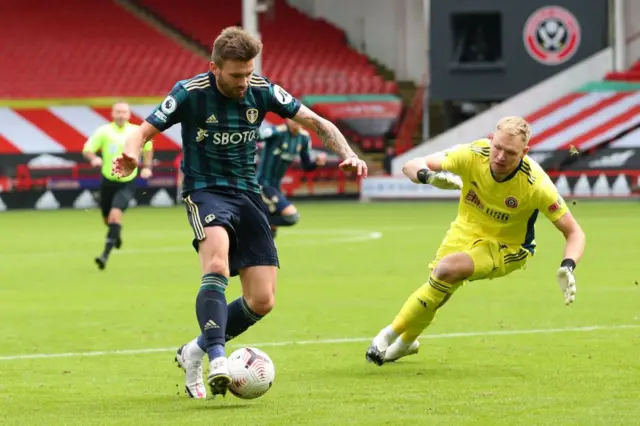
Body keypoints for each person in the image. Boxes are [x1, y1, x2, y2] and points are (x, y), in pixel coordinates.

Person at [112, 26, 367, 399]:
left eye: (248, 72)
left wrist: (348, 153)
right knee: (215, 265)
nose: (244, 81)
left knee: (262, 301)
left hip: (248, 194)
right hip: (205, 191)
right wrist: (132, 154)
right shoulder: (190, 93)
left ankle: (194, 350)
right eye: (236, 75)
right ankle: (217, 359)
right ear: (214, 67)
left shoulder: (263, 89)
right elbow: (141, 131)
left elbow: (319, 123)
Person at [365, 116, 585, 366]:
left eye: (510, 153)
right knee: (439, 288)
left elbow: (574, 232)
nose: (500, 157)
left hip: (507, 246)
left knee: (446, 271)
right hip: (465, 228)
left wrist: (568, 265)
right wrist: (428, 176)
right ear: (491, 140)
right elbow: (411, 165)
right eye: (498, 148)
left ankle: (386, 337)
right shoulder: (473, 154)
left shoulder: (537, 185)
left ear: (524, 152)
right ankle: (407, 343)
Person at [82, 100, 153, 270]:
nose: (121, 115)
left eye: (124, 112)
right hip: (108, 180)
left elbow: (148, 147)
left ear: (129, 114)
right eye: (118, 112)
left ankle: (104, 255)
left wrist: (147, 167)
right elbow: (87, 149)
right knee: (108, 220)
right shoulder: (104, 131)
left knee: (114, 215)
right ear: (112, 114)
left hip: (126, 182)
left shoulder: (136, 131)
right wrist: (94, 158)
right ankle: (116, 233)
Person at [257, 119, 327, 237]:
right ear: (287, 119)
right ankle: (255, 223)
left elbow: (306, 166)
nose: (296, 122)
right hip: (263, 184)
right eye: (293, 118)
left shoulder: (304, 138)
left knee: (272, 230)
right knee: (291, 217)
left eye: (299, 119)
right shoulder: (277, 132)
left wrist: (316, 163)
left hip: (276, 187)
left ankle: (265, 248)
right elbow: (257, 136)